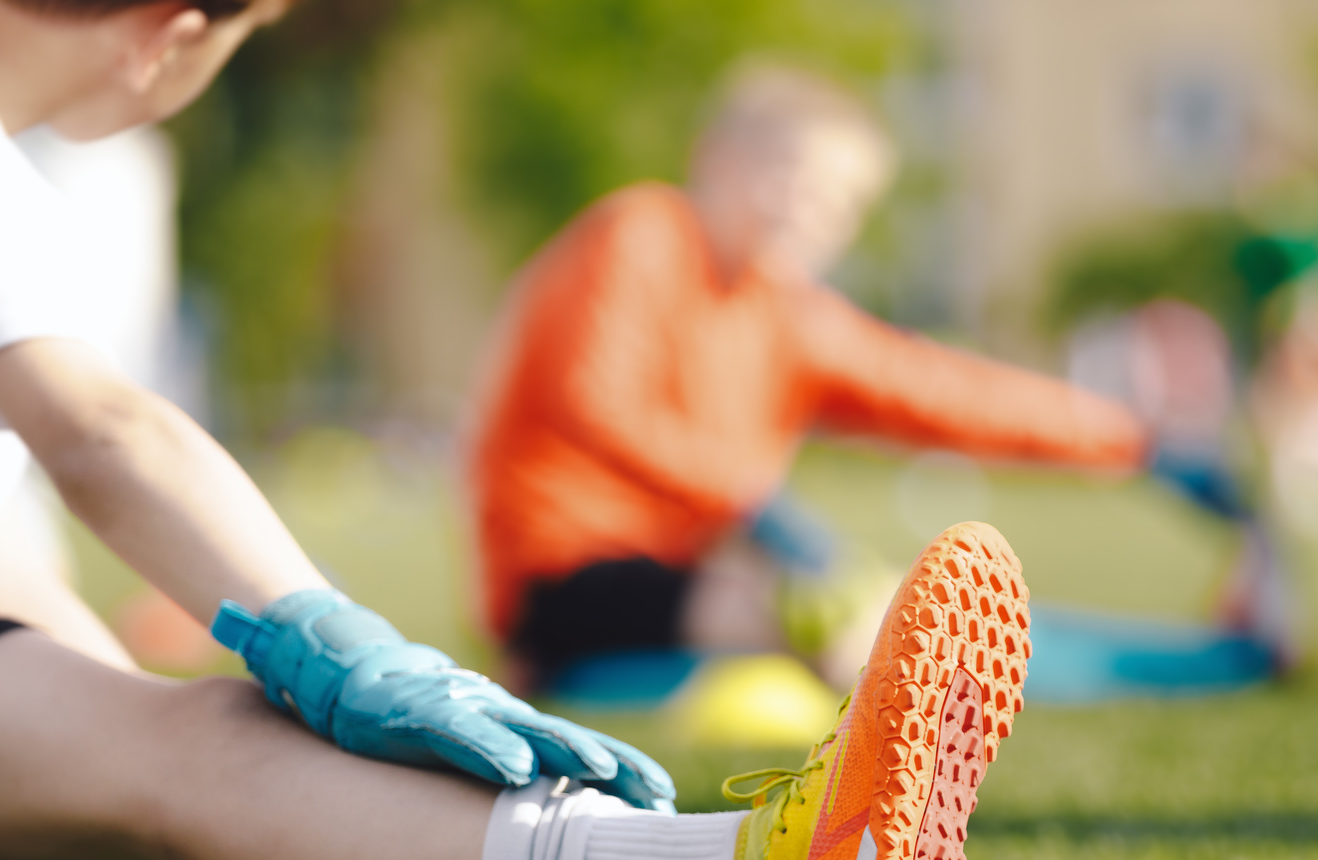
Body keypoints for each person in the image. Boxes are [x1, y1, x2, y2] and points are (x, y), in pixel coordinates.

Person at [0, 0, 1030, 860]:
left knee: (175, 833)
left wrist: (161, 778)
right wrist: (329, 641)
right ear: (174, 39)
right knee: (194, 767)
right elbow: (102, 433)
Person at [467, 65, 1170, 694]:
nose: (810, 213)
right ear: (715, 158)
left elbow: (944, 393)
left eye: (840, 203)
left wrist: (1134, 440)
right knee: (840, 626)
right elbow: (596, 407)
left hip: (689, 570)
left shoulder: (788, 313)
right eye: (790, 179)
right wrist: (753, 504)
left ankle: (1202, 660)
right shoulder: (644, 233)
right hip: (564, 569)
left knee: (904, 612)